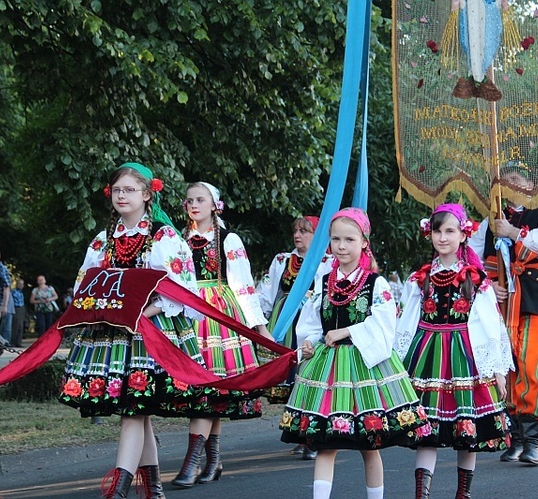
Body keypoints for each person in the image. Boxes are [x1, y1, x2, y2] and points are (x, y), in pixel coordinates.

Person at [58, 162, 212, 498]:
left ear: (147, 194)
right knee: (136, 412)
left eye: (129, 190)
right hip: (113, 337)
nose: (122, 195)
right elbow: (86, 284)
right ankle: (153, 490)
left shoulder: (163, 235)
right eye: (117, 190)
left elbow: (181, 289)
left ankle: (120, 490)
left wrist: (144, 313)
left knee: (134, 409)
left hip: (151, 335)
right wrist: (95, 310)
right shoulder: (104, 240)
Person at [279, 208, 428, 499]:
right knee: (325, 443)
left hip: (364, 368)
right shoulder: (323, 282)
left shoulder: (376, 284)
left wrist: (347, 331)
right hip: (328, 369)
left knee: (368, 444)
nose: (342, 246)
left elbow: (385, 326)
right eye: (336, 239)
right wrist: (308, 342)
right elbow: (310, 322)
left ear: (364, 242)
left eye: (349, 239)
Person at [395, 203, 513, 499]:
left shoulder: (475, 279)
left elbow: (490, 325)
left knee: (466, 428)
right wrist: (395, 361)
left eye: (450, 231)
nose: (443, 237)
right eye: (437, 230)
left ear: (463, 235)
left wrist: (497, 369)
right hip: (427, 355)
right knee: (426, 431)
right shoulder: (420, 279)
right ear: (429, 234)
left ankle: (463, 494)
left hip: (465, 355)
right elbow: (406, 322)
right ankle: (421, 495)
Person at [172, 181, 272, 487]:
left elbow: (243, 285)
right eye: (189, 200)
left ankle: (194, 462)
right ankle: (212, 461)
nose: (193, 205)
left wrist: (258, 327)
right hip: (187, 312)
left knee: (210, 389)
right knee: (208, 391)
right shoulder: (178, 238)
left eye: (200, 199)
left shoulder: (228, 239)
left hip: (218, 316)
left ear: (215, 204)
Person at [468, 160, 538, 466]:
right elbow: (471, 258)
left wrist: (514, 233)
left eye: (515, 178)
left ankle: (533, 438)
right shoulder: (489, 221)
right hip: (501, 301)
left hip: (535, 295)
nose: (509, 185)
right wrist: (486, 283)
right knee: (503, 365)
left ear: (529, 183)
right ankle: (514, 435)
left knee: (532, 364)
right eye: (503, 180)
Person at [259, 215, 333, 460]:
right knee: (292, 379)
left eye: (305, 231)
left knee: (309, 375)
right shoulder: (282, 260)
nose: (298, 235)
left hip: (311, 322)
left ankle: (312, 436)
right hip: (286, 321)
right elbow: (267, 293)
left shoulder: (327, 261)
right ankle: (302, 434)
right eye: (296, 231)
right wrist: (260, 323)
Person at [10, 279, 26, 347]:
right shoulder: (13, 292)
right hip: (16, 308)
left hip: (21, 308)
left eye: (22, 284)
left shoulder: (21, 292)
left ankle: (19, 341)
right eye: (20, 284)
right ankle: (13, 341)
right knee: (16, 325)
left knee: (21, 326)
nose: (21, 285)